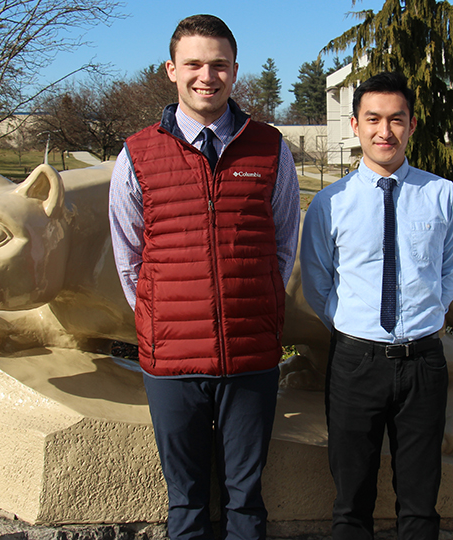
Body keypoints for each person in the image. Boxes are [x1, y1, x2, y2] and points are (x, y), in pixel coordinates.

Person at [108, 14, 300, 540]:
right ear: (172, 69)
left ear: (234, 71)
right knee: (187, 504)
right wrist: (157, 316)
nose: (206, 76)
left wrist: (257, 305)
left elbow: (283, 244)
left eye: (218, 65)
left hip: (250, 355)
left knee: (245, 503)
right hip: (171, 359)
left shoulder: (270, 147)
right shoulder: (137, 154)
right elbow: (129, 255)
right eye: (193, 64)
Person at [300, 71, 453, 540]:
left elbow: (452, 271)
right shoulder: (330, 204)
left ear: (412, 125)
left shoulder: (441, 195)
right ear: (354, 125)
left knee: (419, 502)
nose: (384, 130)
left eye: (397, 119)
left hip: (423, 363)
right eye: (373, 118)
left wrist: (427, 313)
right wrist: (355, 328)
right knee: (351, 502)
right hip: (356, 363)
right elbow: (317, 283)